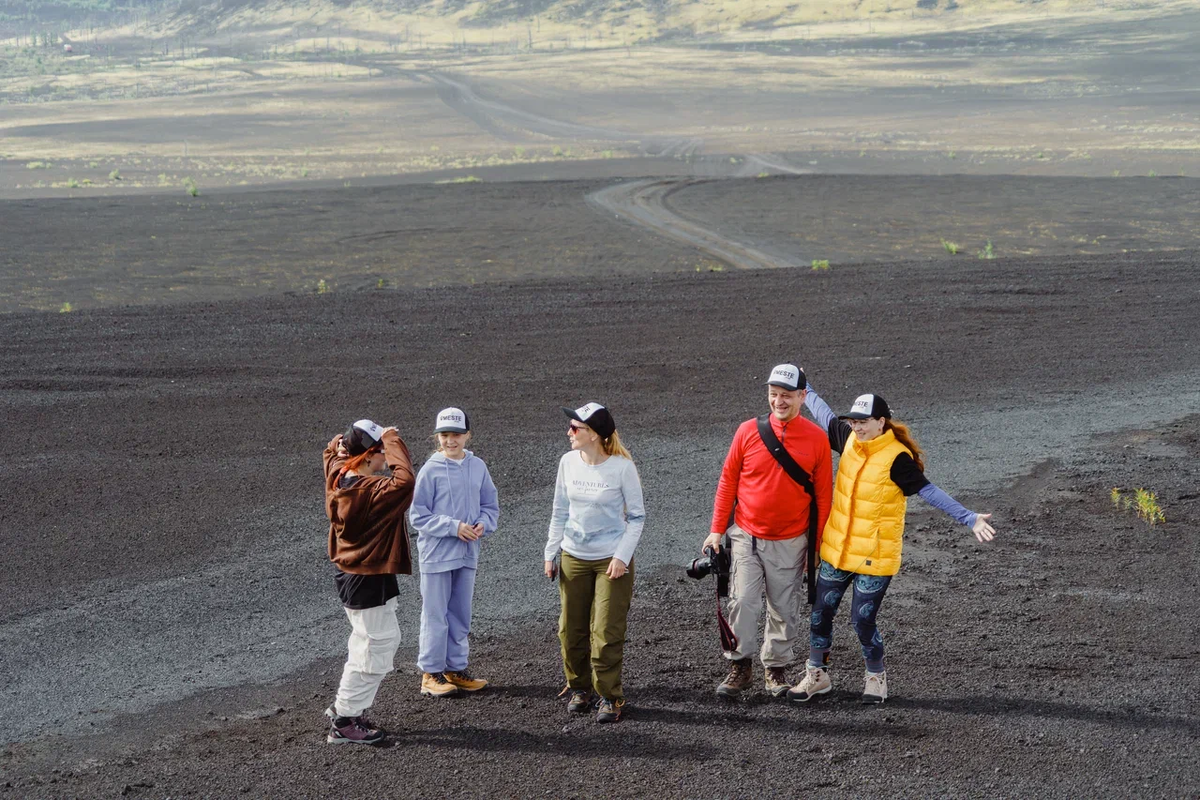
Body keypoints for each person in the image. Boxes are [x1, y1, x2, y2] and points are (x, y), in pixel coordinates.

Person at [787, 382, 996, 705]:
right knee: (820, 613)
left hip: (875, 557)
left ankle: (875, 677)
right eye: (854, 422)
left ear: (881, 422)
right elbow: (824, 413)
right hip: (838, 550)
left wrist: (969, 518)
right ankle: (817, 675)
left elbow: (929, 492)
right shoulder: (848, 439)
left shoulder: (897, 458)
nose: (857, 427)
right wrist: (806, 387)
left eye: (863, 422)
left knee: (862, 621)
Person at [703, 364, 833, 698]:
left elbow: (823, 497)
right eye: (774, 394)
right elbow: (728, 481)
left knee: (784, 609)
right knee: (743, 602)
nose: (779, 401)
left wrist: (817, 547)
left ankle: (775, 669)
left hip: (792, 540)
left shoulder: (817, 438)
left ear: (802, 396)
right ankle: (741, 665)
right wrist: (716, 530)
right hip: (746, 535)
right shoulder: (747, 431)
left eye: (786, 395)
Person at [544, 402, 646, 724]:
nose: (569, 432)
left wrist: (621, 556)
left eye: (576, 428)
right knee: (570, 630)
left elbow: (637, 518)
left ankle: (610, 696)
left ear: (595, 435)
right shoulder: (567, 463)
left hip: (611, 561)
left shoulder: (622, 468)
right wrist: (550, 552)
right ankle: (579, 688)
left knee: (605, 632)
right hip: (573, 557)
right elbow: (560, 510)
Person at [322, 419, 415, 745]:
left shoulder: (338, 474)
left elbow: (331, 452)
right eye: (381, 452)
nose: (385, 460)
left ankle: (347, 708)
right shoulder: (370, 491)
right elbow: (405, 482)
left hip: (361, 574)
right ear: (369, 455)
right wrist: (392, 440)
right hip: (365, 577)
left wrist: (340, 443)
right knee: (378, 645)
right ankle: (345, 720)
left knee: (370, 641)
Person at [409, 407, 500, 698]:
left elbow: (490, 506)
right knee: (435, 614)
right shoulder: (430, 470)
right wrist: (453, 527)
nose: (451, 440)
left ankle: (455, 669)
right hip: (436, 555)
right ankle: (430, 673)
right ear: (437, 437)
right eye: (445, 435)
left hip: (467, 553)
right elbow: (418, 515)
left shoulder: (478, 467)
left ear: (467, 435)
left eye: (457, 435)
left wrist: (483, 524)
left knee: (460, 613)